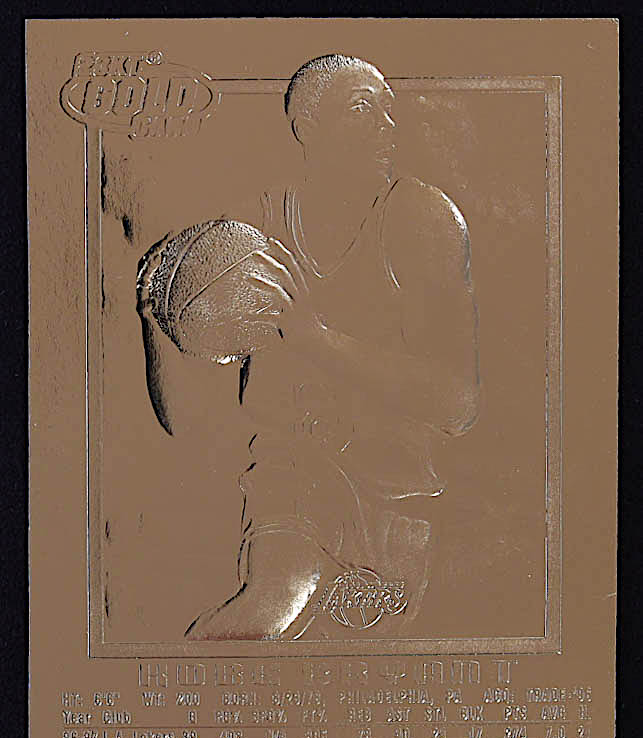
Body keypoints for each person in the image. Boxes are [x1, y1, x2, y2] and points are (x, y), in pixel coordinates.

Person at [137, 54, 480, 640]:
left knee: (361, 658)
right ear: (308, 126)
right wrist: (156, 316)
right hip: (292, 485)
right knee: (272, 605)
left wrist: (315, 339)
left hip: (397, 494)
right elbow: (188, 426)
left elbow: (457, 404)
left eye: (390, 112)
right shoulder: (250, 236)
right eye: (362, 109)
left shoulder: (422, 219)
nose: (388, 127)